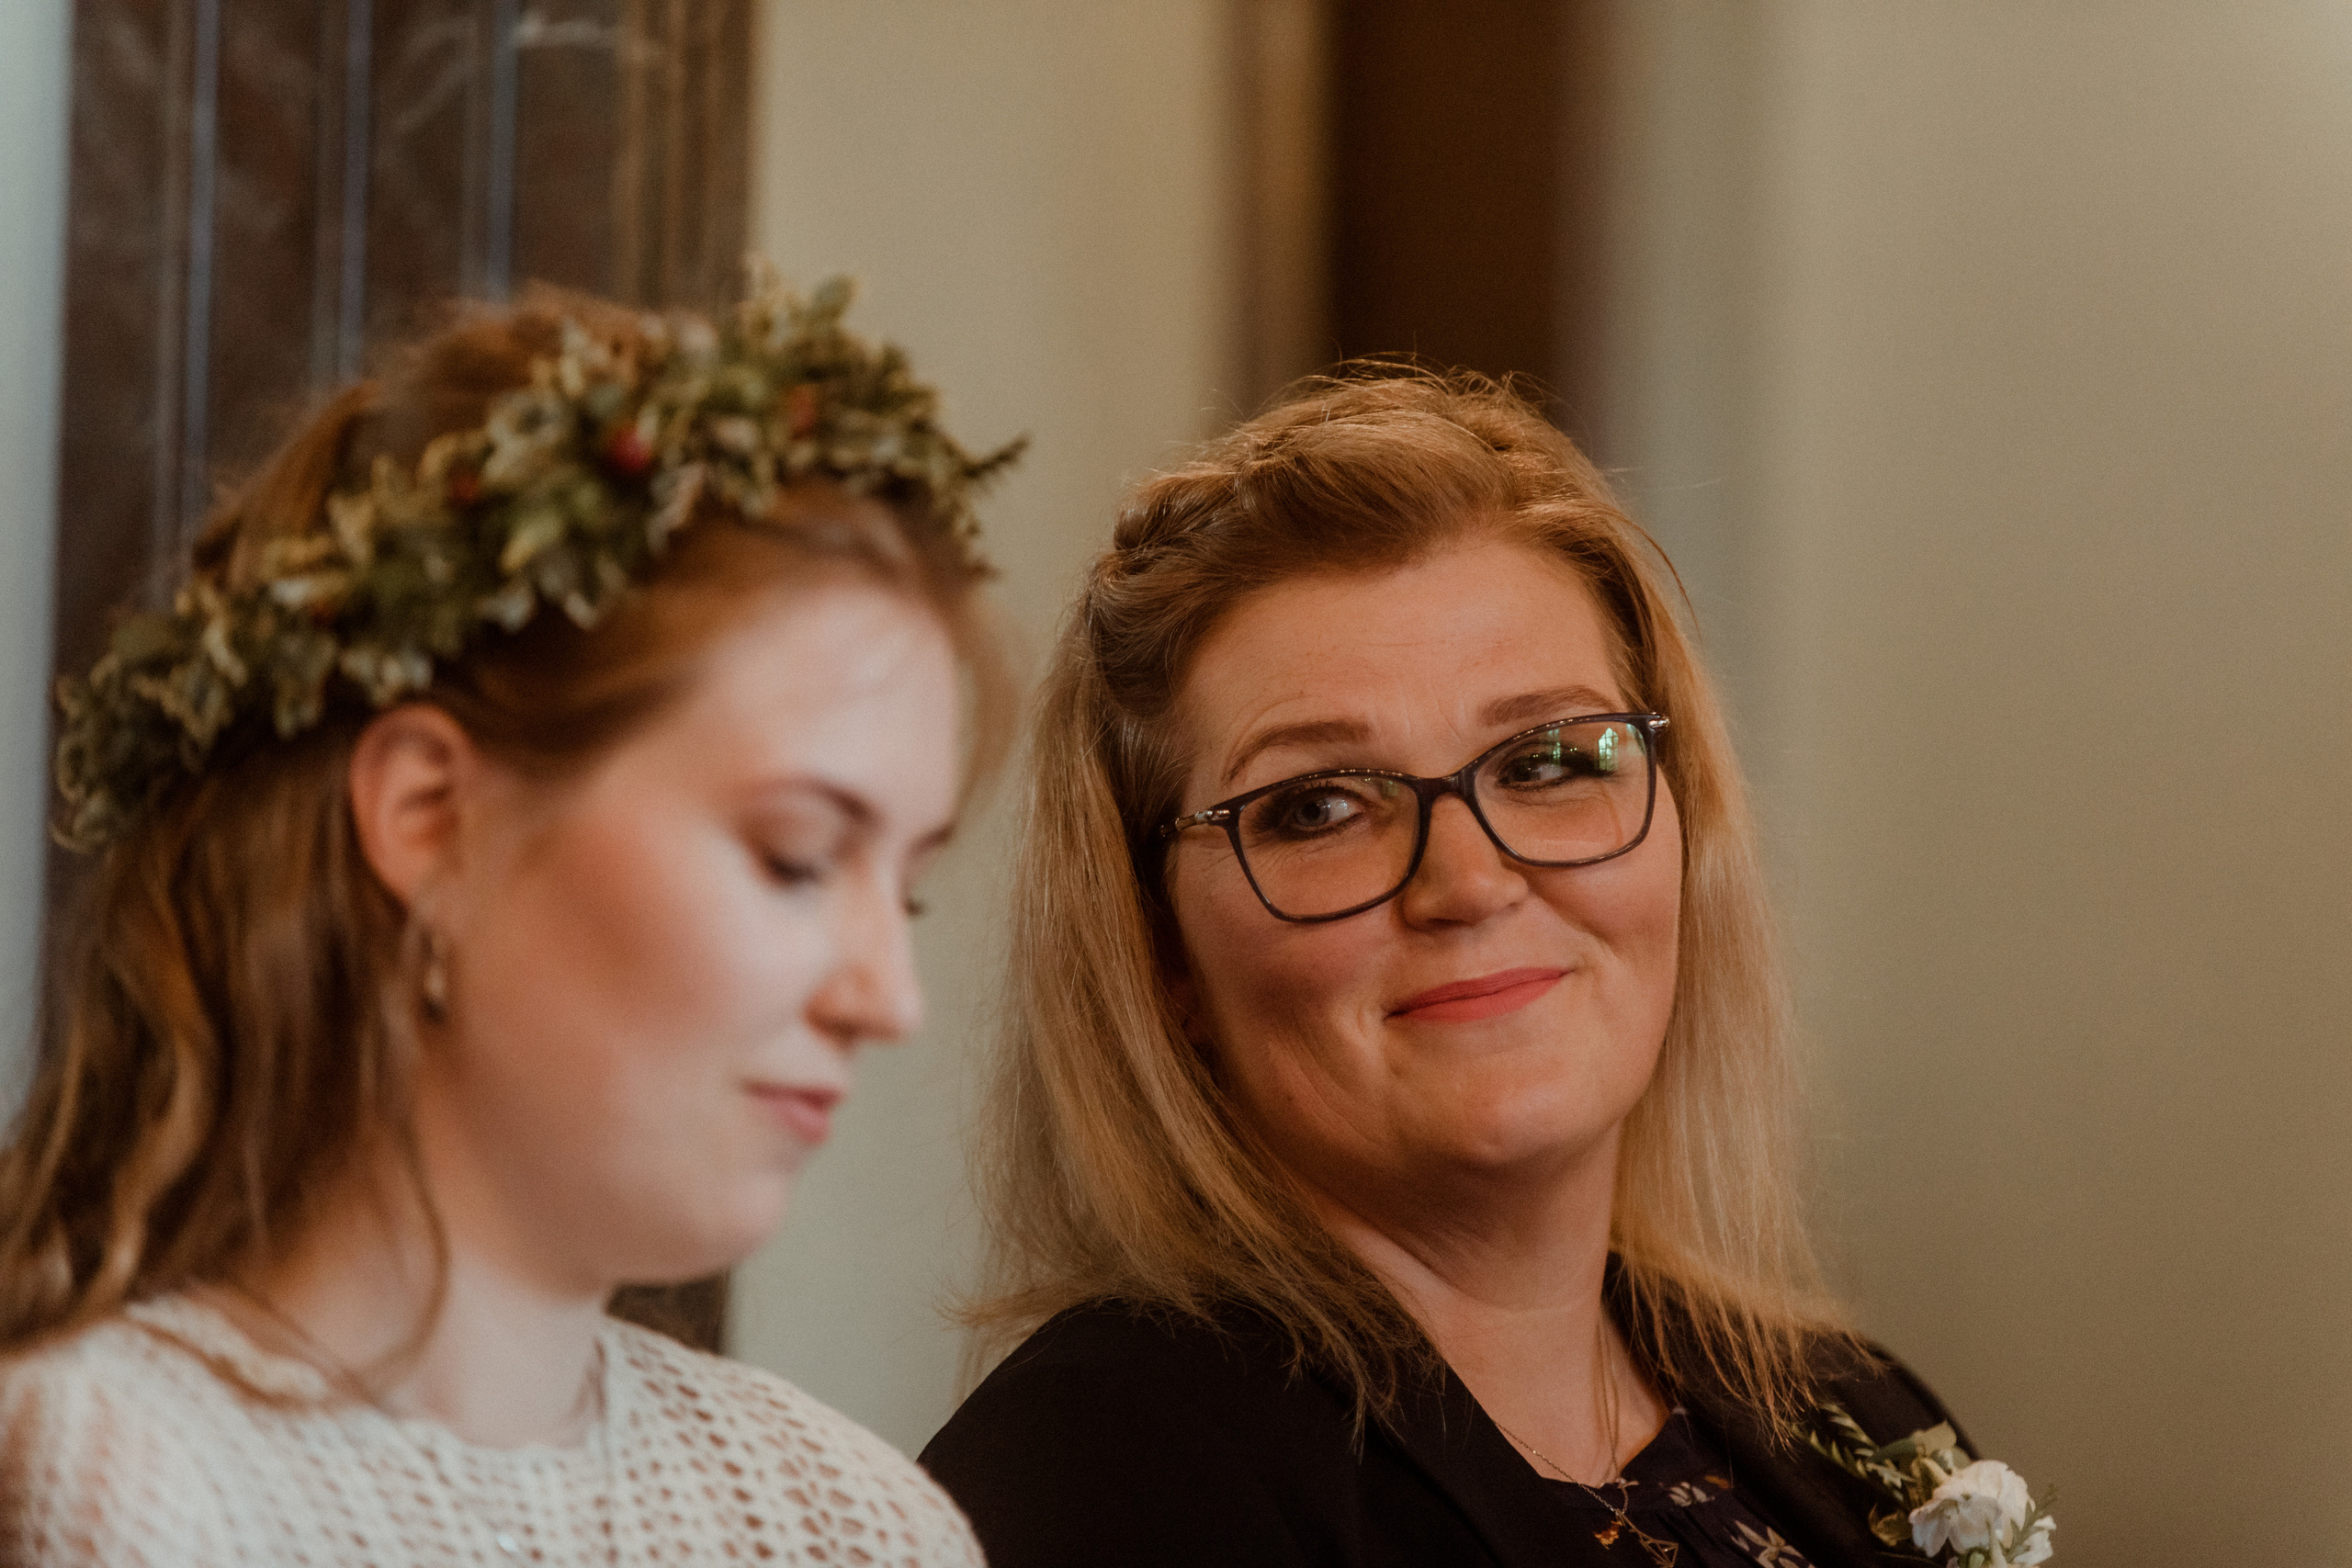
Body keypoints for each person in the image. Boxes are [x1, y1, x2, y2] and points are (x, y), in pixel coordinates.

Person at [922, 371, 2051, 1567]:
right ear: (1159, 955)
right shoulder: (1096, 1482)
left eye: (1552, 760)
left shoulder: (1846, 1412)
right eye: (1318, 806)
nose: (1466, 883)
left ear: (1684, 828)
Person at [0, 275, 1017, 1564]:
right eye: (797, 859)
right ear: (432, 818)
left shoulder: (858, 1527)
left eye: (907, 886)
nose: (890, 997)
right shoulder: (121, 1489)